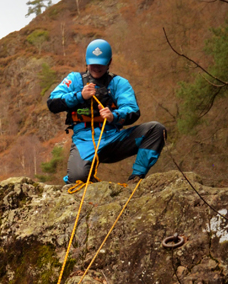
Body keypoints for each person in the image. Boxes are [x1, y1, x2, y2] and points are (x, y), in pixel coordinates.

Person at [47, 38, 166, 185]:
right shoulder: (74, 80)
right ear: (87, 62)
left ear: (109, 62)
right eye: (93, 64)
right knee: (77, 179)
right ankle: (83, 174)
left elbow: (132, 110)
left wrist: (113, 116)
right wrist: (79, 96)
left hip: (114, 139)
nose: (97, 68)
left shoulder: (119, 83)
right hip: (85, 141)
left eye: (101, 64)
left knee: (156, 129)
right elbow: (52, 102)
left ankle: (136, 177)